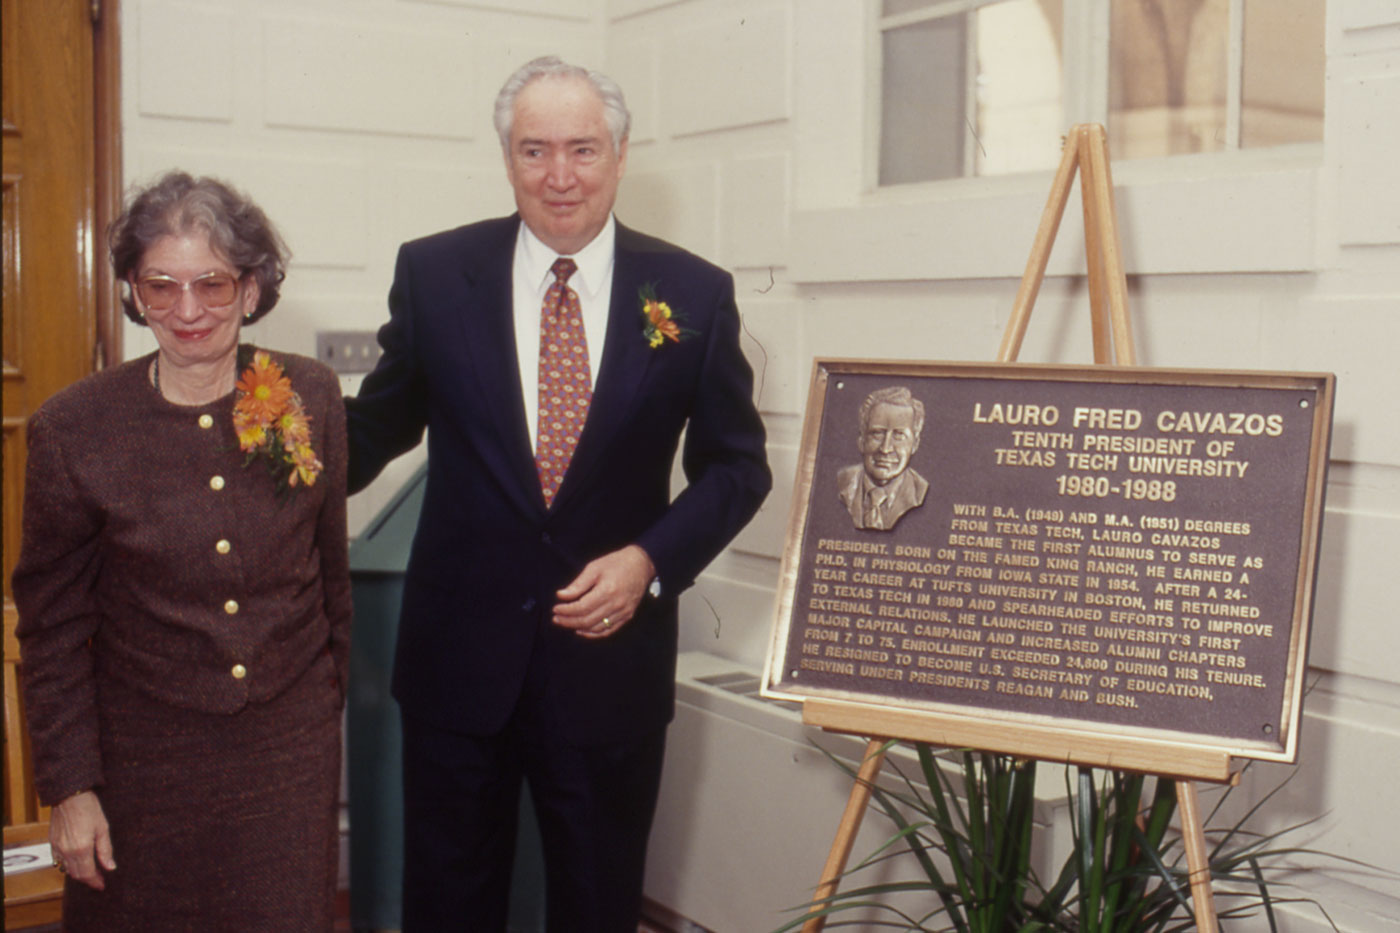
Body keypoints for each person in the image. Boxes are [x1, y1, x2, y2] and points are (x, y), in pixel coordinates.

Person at [344, 56, 771, 931]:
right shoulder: (434, 274)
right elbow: (373, 431)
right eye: (534, 151)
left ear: (620, 155)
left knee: (595, 906)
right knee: (448, 908)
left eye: (582, 149)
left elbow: (738, 464)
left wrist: (652, 559)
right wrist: (259, 450)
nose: (560, 176)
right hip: (458, 666)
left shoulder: (693, 293)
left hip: (607, 664)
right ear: (507, 158)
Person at [11, 171, 351, 932]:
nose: (187, 310)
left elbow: (332, 579)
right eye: (160, 286)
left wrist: (319, 708)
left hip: (284, 760)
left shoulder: (312, 396)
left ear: (254, 287)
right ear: (133, 290)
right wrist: (71, 788)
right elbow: (53, 628)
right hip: (142, 769)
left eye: (213, 284)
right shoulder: (74, 430)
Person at [837, 386, 929, 531]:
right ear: (861, 441)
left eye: (899, 435)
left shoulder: (922, 493)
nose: (885, 449)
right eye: (877, 434)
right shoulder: (842, 484)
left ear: (915, 445)